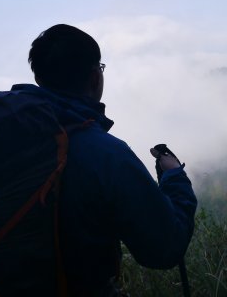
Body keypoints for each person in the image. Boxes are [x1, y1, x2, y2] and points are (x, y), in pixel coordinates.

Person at [20, 24, 198, 295]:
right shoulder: (105, 154)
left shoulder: (7, 136)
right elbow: (164, 248)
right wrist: (175, 178)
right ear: (94, 77)